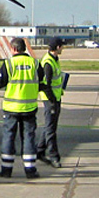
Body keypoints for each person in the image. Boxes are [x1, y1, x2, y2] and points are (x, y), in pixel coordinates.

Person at [0, 37, 40, 179]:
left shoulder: (9, 64)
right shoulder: (34, 63)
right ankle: (30, 169)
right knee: (29, 137)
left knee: (9, 137)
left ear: (13, 49)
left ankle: (6, 169)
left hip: (11, 107)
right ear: (24, 48)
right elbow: (43, 81)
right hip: (29, 107)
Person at [37, 37, 68, 168]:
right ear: (57, 47)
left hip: (55, 97)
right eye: (62, 46)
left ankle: (39, 150)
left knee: (50, 126)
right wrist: (52, 101)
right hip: (50, 100)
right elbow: (45, 84)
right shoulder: (48, 63)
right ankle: (53, 156)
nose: (63, 48)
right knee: (51, 129)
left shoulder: (54, 60)